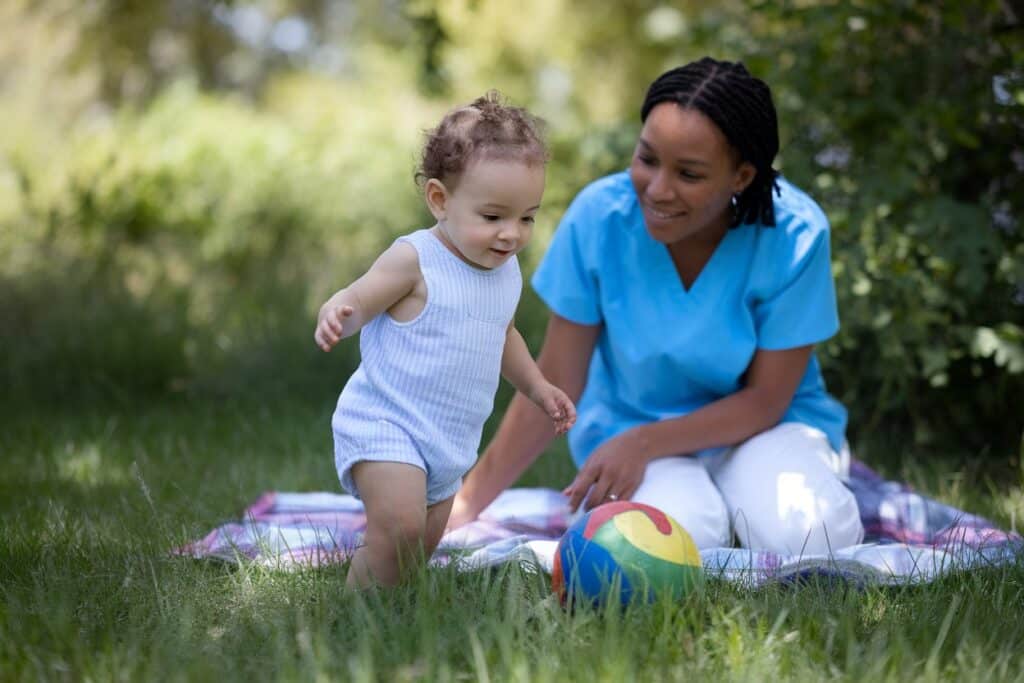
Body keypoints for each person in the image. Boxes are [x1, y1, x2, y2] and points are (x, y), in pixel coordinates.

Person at [448, 58, 865, 556]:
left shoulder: (795, 233)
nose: (658, 189)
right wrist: (465, 504)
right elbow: (557, 377)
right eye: (647, 159)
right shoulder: (600, 219)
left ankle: (743, 500)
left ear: (741, 176)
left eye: (688, 173)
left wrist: (645, 443)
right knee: (659, 543)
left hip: (764, 429)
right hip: (626, 426)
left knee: (810, 535)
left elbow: (766, 400)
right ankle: (722, 510)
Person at [314, 92, 577, 588]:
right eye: (493, 217)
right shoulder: (415, 260)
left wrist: (538, 388)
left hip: (451, 440)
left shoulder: (504, 272)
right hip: (387, 423)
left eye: (527, 217)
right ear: (440, 200)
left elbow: (503, 334)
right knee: (399, 529)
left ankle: (394, 613)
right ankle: (352, 617)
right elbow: (359, 298)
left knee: (415, 552)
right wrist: (338, 313)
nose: (511, 234)